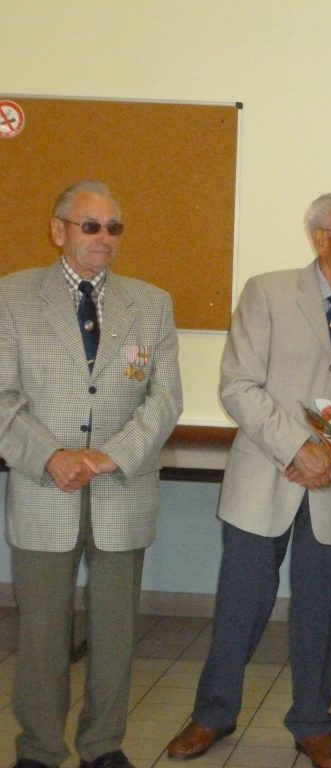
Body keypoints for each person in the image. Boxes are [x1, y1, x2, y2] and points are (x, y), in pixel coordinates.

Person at [164, 192, 331, 768]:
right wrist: (298, 447)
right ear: (321, 238)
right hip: (264, 477)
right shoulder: (266, 292)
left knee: (323, 610)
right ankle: (213, 713)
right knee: (241, 603)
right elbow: (239, 386)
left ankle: (314, 723)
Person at [0, 180, 183, 768]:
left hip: (120, 490)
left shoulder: (150, 303)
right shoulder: (12, 298)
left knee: (115, 635)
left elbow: (164, 401)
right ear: (59, 230)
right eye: (91, 225)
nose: (104, 237)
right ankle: (39, 748)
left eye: (114, 227)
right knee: (42, 637)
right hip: (42, 488)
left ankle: (103, 745)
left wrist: (108, 457)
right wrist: (51, 457)